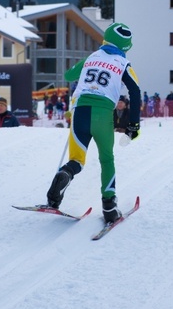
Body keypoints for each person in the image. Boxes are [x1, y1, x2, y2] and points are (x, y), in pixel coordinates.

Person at [47, 23, 141, 224]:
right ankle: (109, 207)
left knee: (76, 160)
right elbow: (135, 91)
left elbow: (69, 75)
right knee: (106, 160)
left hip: (80, 111)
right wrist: (134, 124)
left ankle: (60, 184)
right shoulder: (124, 64)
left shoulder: (92, 57)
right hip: (103, 114)